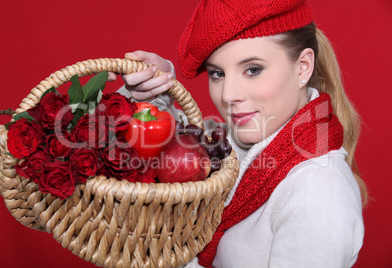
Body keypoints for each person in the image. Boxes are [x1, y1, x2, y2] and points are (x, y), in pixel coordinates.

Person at [114, 0, 366, 267]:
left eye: (253, 70)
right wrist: (155, 95)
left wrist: (161, 258)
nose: (228, 95)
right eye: (217, 73)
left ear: (302, 67)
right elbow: (146, 149)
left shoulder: (318, 189)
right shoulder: (228, 145)